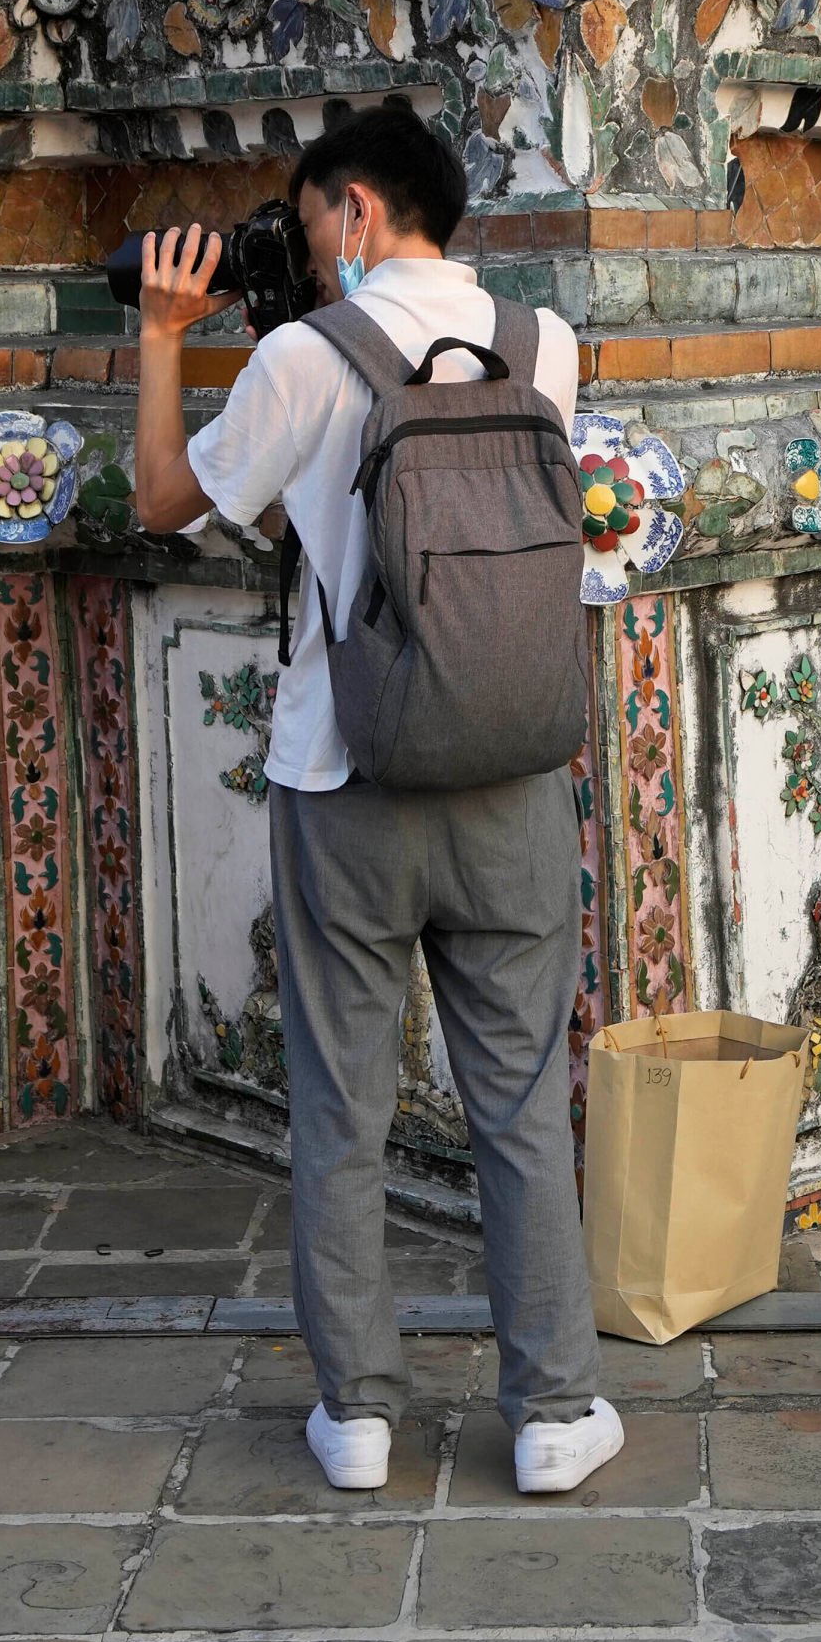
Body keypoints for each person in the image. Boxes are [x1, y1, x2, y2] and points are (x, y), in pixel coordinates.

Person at [129, 105, 622, 1496]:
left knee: (340, 1105)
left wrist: (167, 333)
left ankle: (354, 1413)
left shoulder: (300, 354)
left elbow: (169, 499)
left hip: (342, 771)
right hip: (509, 766)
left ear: (351, 209)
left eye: (306, 219)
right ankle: (551, 1413)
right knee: (518, 1100)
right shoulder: (544, 345)